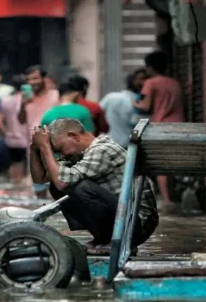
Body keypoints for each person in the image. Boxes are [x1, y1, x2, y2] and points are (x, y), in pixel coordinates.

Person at [29, 118, 158, 251]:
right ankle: (103, 238)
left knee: (81, 187)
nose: (62, 155)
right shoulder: (80, 155)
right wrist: (34, 149)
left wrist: (45, 147)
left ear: (74, 136)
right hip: (124, 219)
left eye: (61, 149)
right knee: (57, 184)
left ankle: (115, 240)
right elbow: (41, 178)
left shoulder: (103, 149)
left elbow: (63, 182)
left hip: (137, 224)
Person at [133, 51, 185, 206]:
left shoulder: (151, 83)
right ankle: (177, 199)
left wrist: (133, 103)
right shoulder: (174, 83)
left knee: (161, 166)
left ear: (150, 68)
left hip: (161, 128)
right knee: (176, 163)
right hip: (180, 127)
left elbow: (145, 106)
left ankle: (167, 201)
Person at [19, 65, 60, 197]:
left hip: (55, 146)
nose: (32, 82)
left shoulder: (55, 95)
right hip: (34, 146)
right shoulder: (25, 98)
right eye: (28, 79)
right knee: (39, 188)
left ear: (44, 78)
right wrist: (22, 104)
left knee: (58, 185)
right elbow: (21, 120)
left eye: (35, 78)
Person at [100, 69, 148, 148]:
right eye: (143, 79)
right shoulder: (139, 103)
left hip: (108, 143)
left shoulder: (110, 97)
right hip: (129, 145)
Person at [0, 85, 29, 184]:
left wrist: (5, 132)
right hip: (24, 138)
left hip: (9, 137)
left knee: (12, 162)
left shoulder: (5, 101)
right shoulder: (26, 100)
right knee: (20, 163)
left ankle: (12, 184)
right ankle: (18, 184)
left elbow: (2, 119)